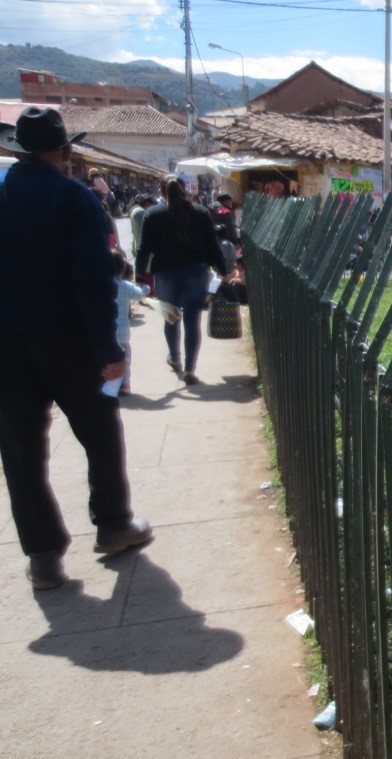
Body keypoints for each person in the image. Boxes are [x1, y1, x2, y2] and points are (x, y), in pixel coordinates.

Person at [0, 108, 153, 590]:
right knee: (100, 430)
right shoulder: (73, 197)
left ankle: (43, 556)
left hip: (6, 343)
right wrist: (109, 346)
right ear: (65, 151)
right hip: (69, 340)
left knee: (21, 450)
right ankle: (112, 525)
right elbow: (94, 279)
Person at [137, 176, 230, 386]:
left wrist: (139, 276)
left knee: (171, 317)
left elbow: (144, 248)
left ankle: (175, 357)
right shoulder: (200, 212)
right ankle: (190, 369)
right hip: (196, 272)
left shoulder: (152, 214)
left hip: (165, 273)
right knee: (192, 320)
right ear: (185, 189)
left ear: (162, 192)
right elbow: (211, 244)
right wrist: (222, 269)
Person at [113, 257, 150, 395]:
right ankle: (125, 384)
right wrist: (146, 288)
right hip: (122, 332)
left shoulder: (99, 284)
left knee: (107, 360)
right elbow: (139, 294)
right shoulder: (124, 285)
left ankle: (110, 384)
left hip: (106, 333)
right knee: (125, 360)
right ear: (122, 269)